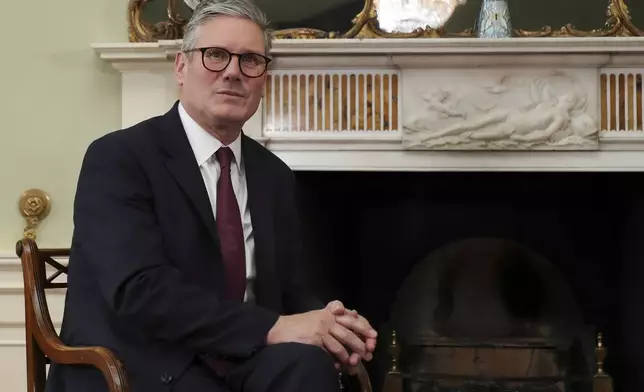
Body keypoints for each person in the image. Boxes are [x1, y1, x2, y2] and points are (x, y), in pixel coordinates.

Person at [49, 0, 377, 391]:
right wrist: (274, 327)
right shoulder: (119, 158)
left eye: (251, 60)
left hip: (238, 357)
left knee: (310, 368)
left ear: (264, 80)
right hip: (141, 360)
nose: (233, 72)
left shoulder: (274, 176)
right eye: (216, 55)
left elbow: (292, 289)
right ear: (182, 68)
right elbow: (140, 293)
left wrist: (332, 325)